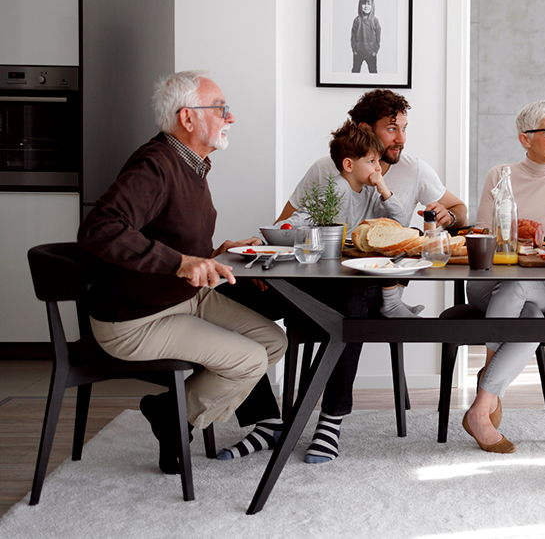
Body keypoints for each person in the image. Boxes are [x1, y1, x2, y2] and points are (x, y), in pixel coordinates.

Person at [77, 71, 287, 474]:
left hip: (181, 298)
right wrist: (180, 263)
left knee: (273, 343)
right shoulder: (156, 166)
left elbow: (168, 235)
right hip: (135, 319)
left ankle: (171, 413)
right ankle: (175, 420)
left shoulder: (193, 165)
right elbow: (99, 229)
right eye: (221, 108)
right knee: (248, 361)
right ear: (188, 118)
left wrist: (212, 253)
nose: (231, 117)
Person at [276, 89, 467, 463]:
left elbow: (459, 210)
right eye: (392, 129)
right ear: (364, 129)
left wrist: (449, 217)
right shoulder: (327, 167)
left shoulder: (415, 168)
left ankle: (329, 420)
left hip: (376, 280)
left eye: (404, 128)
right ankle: (288, 418)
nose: (402, 138)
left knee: (354, 299)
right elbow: (286, 223)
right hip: (328, 281)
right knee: (344, 302)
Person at [464, 101, 545, 454]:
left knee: (519, 287)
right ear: (525, 138)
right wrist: (514, 232)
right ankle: (486, 400)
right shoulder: (500, 175)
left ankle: (482, 399)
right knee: (532, 322)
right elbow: (481, 234)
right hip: (487, 284)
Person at [286, 120, 419, 317]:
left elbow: (401, 224)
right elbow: (300, 219)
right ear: (348, 164)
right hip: (334, 270)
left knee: (412, 236)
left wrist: (384, 190)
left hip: (355, 263)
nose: (378, 169)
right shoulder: (337, 190)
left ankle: (393, 302)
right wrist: (262, 238)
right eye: (371, 162)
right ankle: (391, 304)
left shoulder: (370, 191)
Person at [350, 0, 380, 73]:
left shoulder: (375, 21)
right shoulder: (357, 20)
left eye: (369, 4)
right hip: (358, 52)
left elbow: (378, 37)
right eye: (364, 3)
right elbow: (353, 36)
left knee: (373, 71)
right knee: (355, 71)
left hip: (371, 53)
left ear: (372, 6)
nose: (366, 6)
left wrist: (375, 50)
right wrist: (354, 50)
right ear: (360, 5)